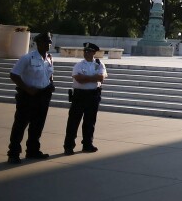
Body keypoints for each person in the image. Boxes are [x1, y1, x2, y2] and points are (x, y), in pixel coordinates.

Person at [7, 32, 55, 163]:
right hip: (28, 96)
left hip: (43, 95)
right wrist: (27, 89)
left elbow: (49, 73)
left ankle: (33, 150)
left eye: (49, 43)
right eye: (45, 43)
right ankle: (13, 153)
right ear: (37, 43)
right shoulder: (27, 58)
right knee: (20, 125)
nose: (47, 45)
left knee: (37, 125)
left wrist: (50, 84)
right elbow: (14, 74)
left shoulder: (49, 58)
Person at [63, 42, 107, 155]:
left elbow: (101, 77)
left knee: (90, 122)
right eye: (85, 51)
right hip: (79, 95)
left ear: (94, 52)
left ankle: (87, 144)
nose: (86, 53)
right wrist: (93, 78)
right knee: (73, 122)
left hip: (93, 95)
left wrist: (86, 78)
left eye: (88, 51)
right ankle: (69, 146)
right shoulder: (79, 65)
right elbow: (79, 79)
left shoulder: (99, 64)